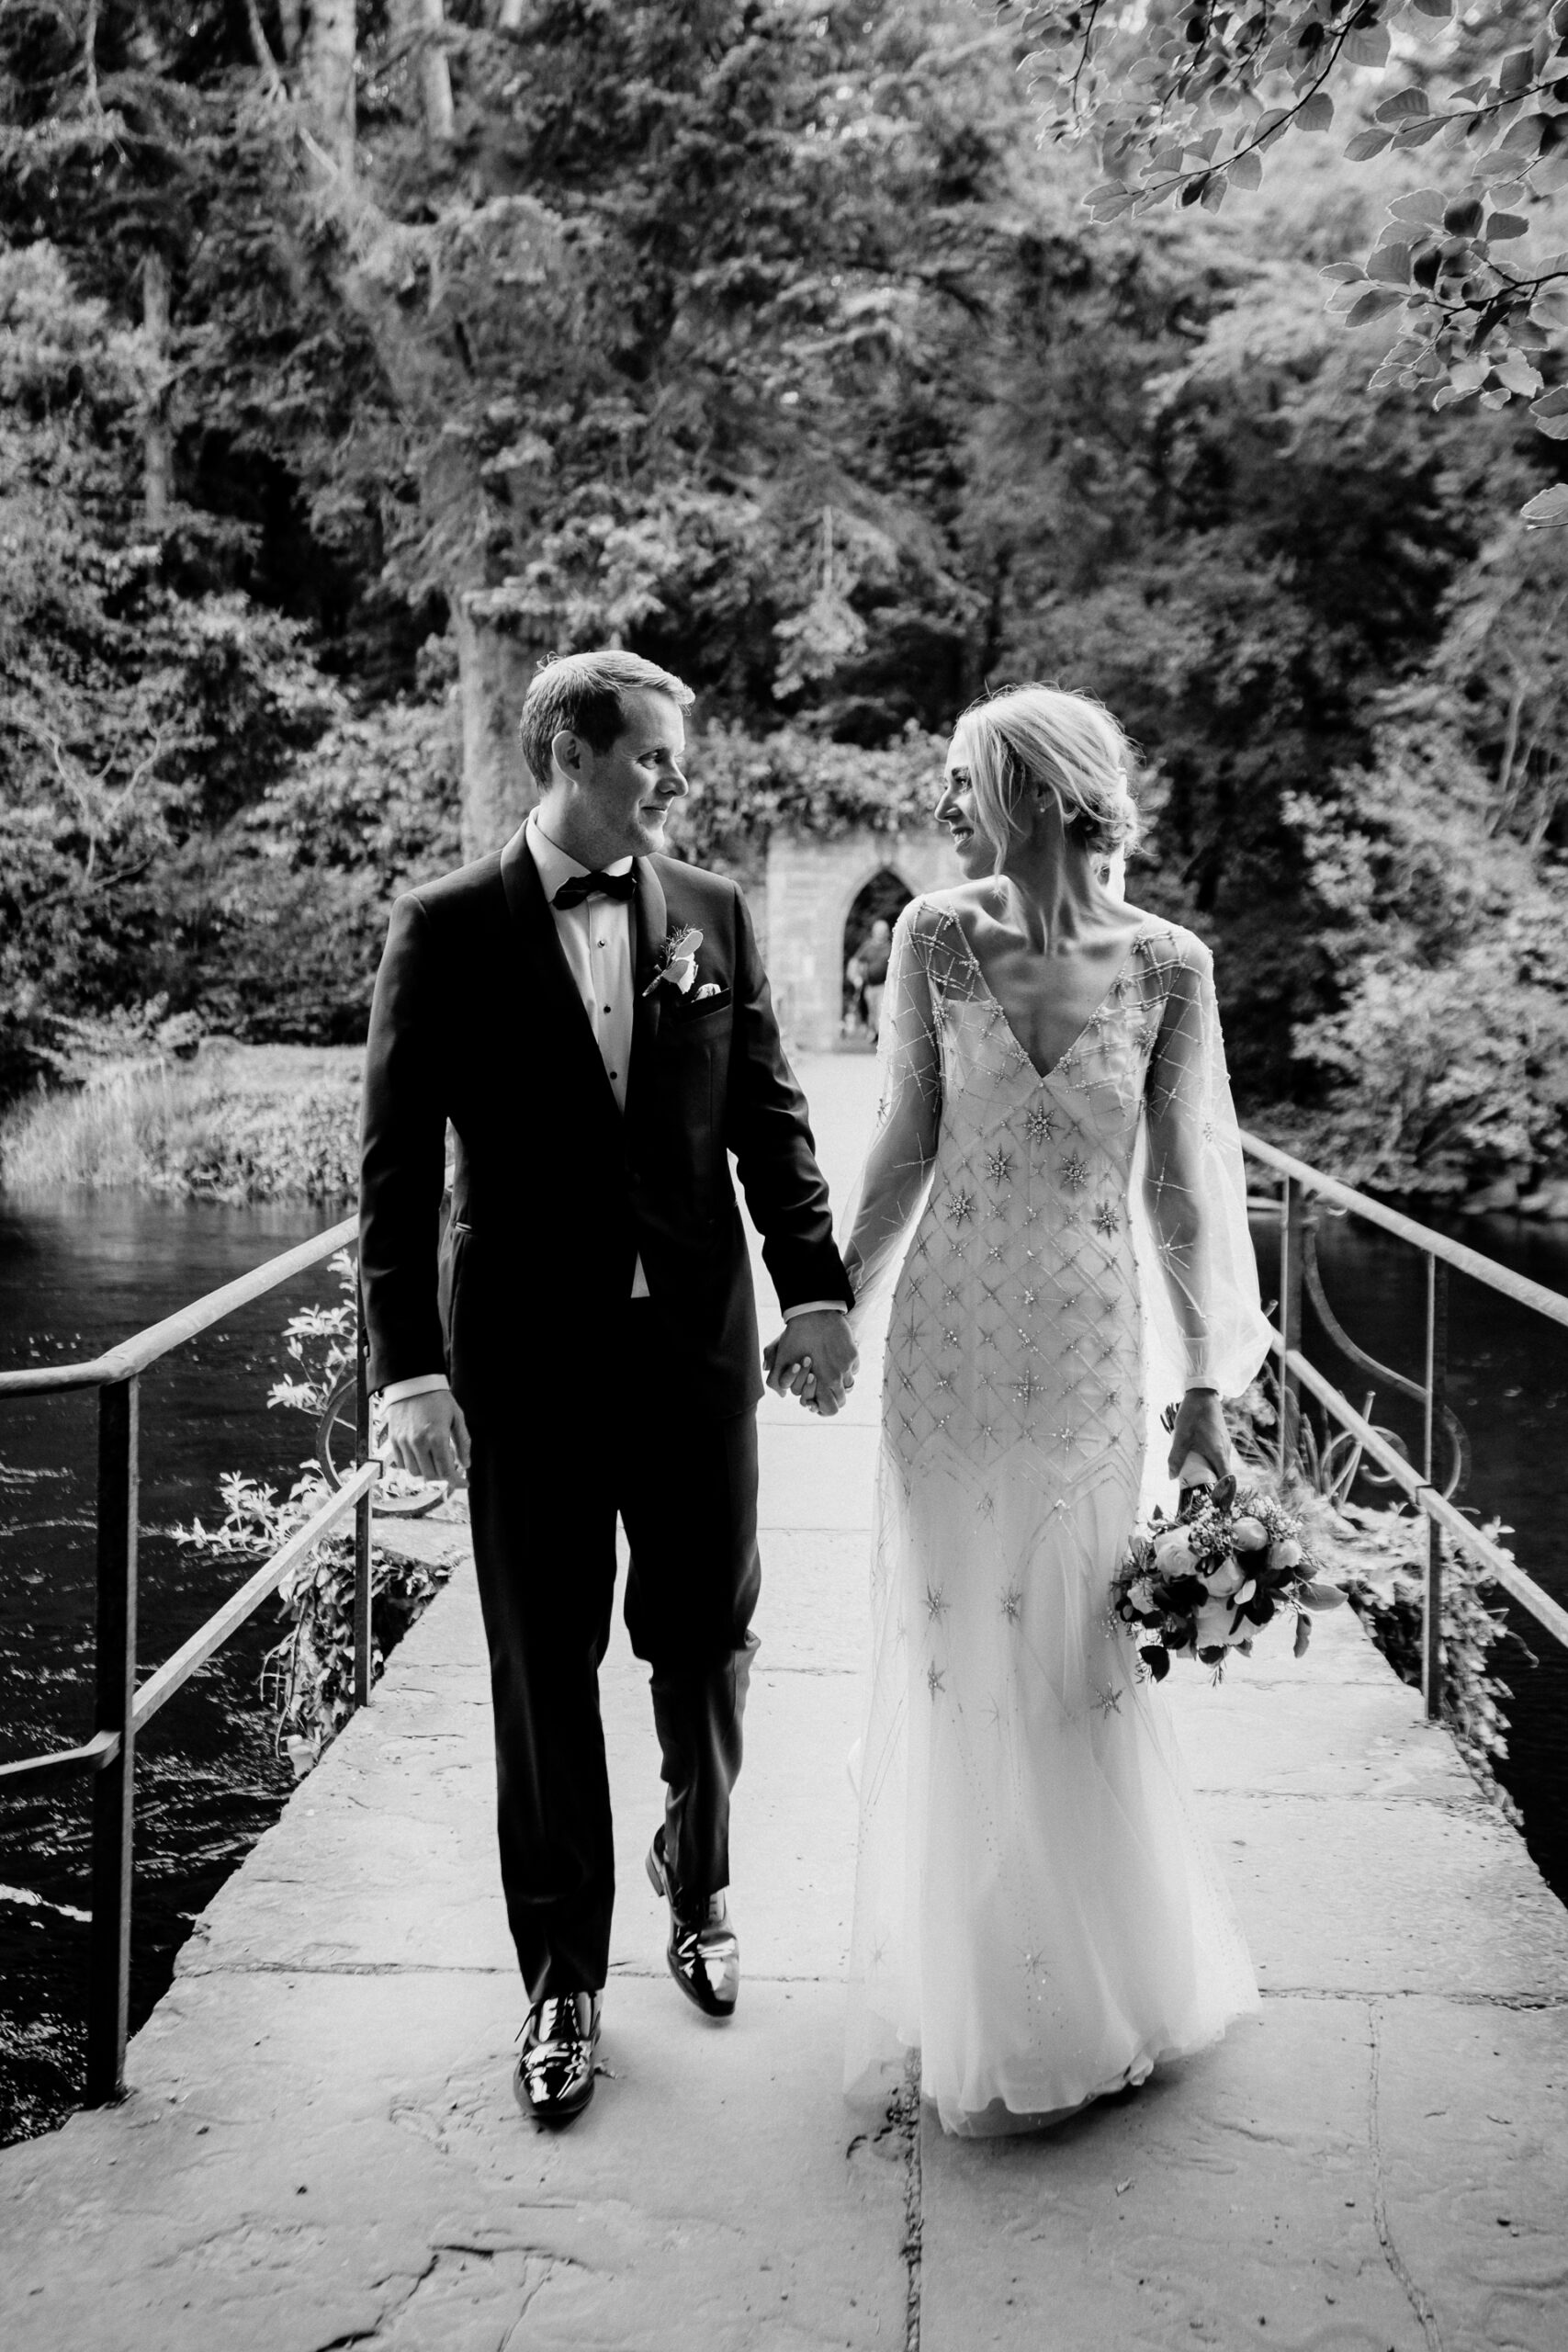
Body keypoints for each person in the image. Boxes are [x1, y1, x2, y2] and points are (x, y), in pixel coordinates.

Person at [359, 649, 858, 2127]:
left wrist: (816, 1288)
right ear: (573, 751)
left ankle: (695, 1877)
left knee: (706, 1642)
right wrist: (412, 1377)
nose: (674, 781)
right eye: (652, 754)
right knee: (543, 1669)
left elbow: (767, 1117)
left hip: (694, 1356)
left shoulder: (709, 914)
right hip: (522, 1367)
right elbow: (393, 1176)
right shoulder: (441, 930)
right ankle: (561, 1979)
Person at [820, 683, 1271, 2136]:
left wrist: (1204, 1389)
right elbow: (904, 1141)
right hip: (945, 1339)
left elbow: (1187, 1193)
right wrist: (830, 1304)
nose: (947, 801)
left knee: (1074, 1652)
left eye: (965, 777)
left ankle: (1090, 1985)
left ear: (1035, 788)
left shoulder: (1173, 965)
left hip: (1089, 1349)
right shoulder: (933, 935)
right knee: (957, 1648)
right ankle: (968, 1984)